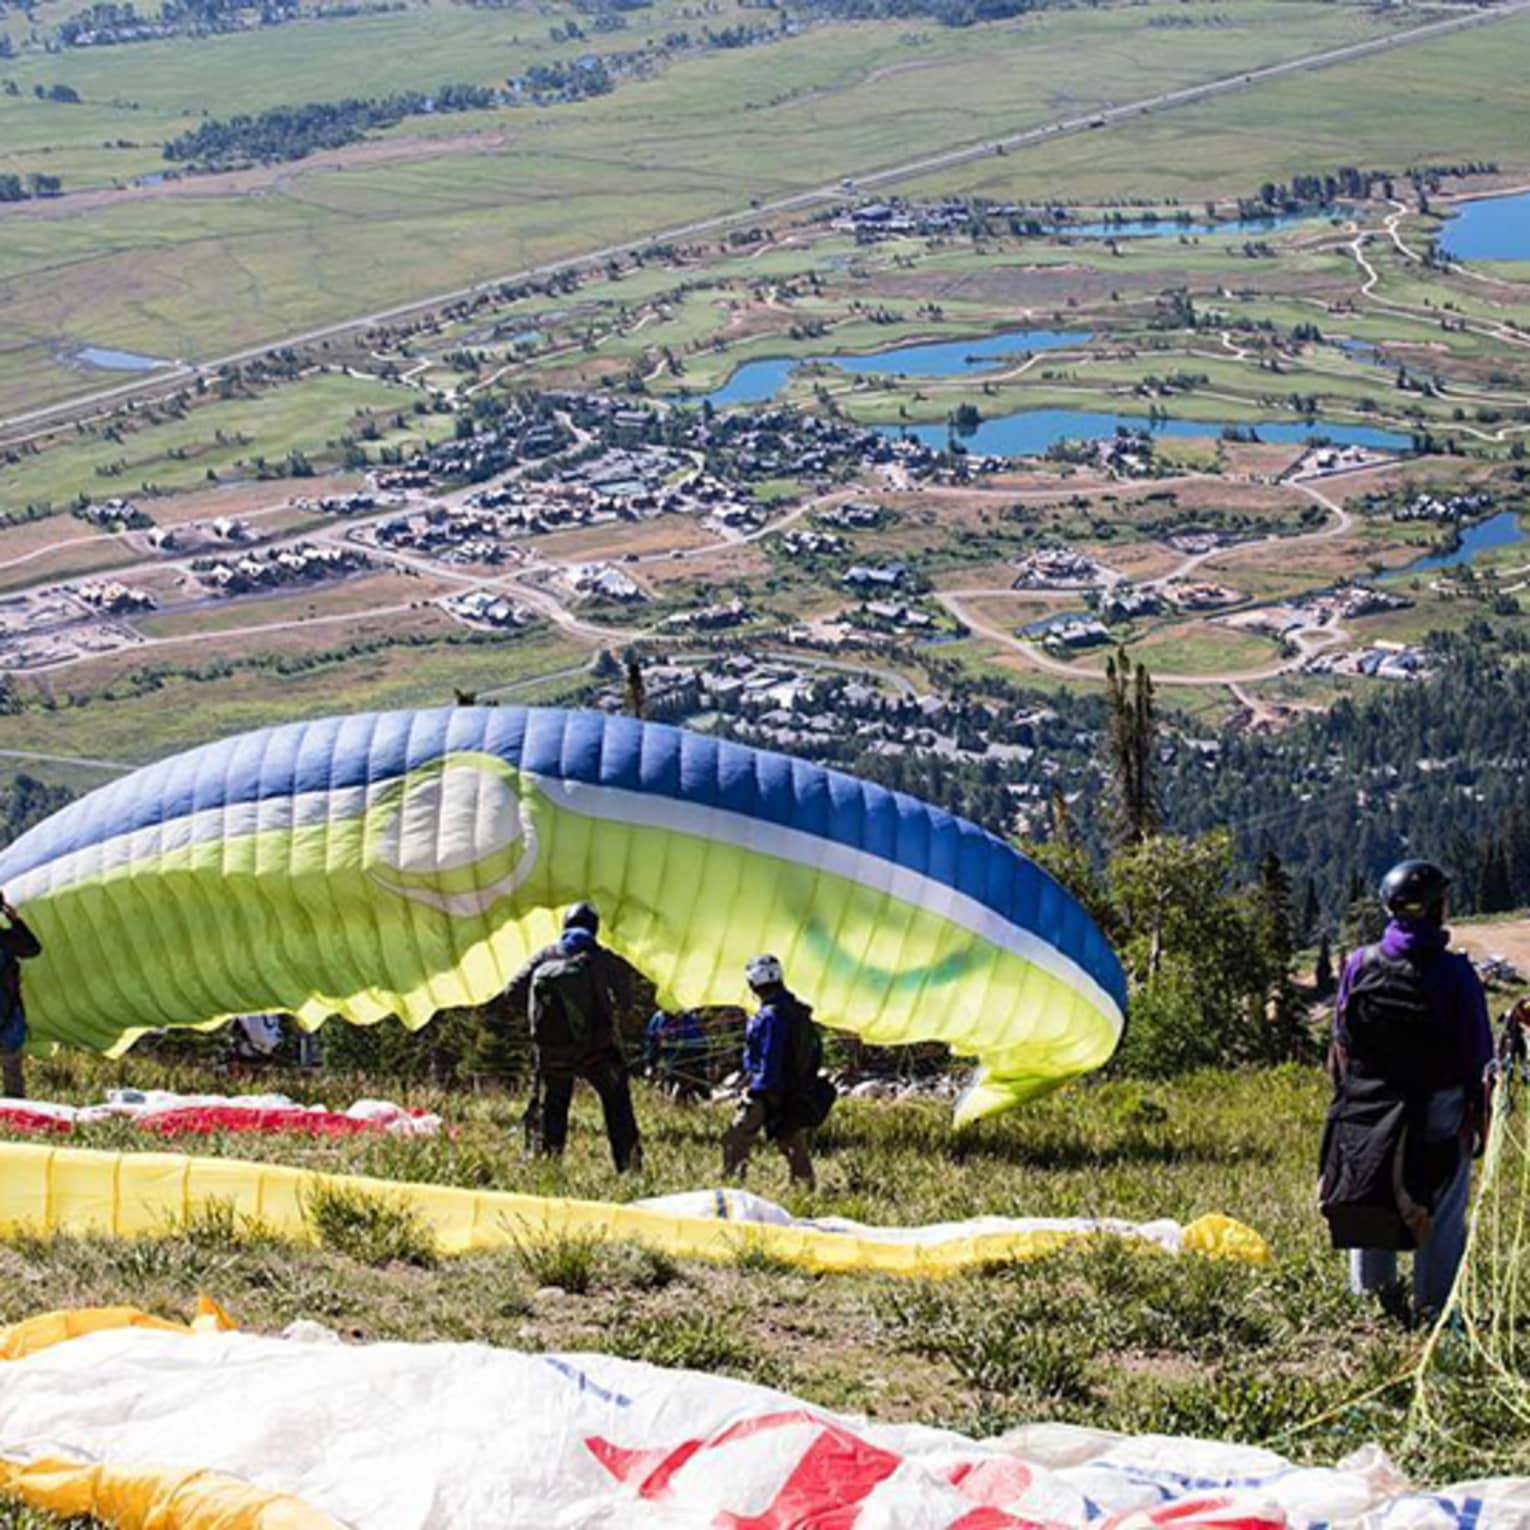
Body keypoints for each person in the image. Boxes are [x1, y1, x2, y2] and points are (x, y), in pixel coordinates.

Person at [1320, 860, 1492, 1318]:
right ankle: (1434, 1307)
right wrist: (1480, 1117)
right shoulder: (1456, 976)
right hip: (1437, 1106)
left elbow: (1341, 1038)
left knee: (1371, 1189)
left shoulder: (1360, 963)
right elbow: (1478, 1057)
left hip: (1368, 1105)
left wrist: (1345, 1100)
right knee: (1443, 1207)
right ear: (1437, 909)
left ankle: (1372, 1303)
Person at [503, 903, 643, 1173]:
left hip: (554, 1051)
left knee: (554, 1106)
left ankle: (548, 1168)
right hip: (598, 1052)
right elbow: (626, 1001)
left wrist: (542, 1015)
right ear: (594, 927)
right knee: (617, 1105)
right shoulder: (603, 958)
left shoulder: (545, 956)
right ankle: (630, 1168)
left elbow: (512, 992)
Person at [722, 955, 835, 1191]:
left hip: (769, 1091)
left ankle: (732, 1189)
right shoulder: (796, 1011)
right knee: (792, 1141)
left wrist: (757, 1091)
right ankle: (804, 1190)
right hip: (795, 1089)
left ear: (753, 983)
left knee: (737, 1136)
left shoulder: (771, 1016)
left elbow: (770, 1057)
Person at [0, 893, 41, 1100]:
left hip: (7, 1013)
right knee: (11, 1067)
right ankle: (15, 1107)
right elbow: (32, 948)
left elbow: (33, 949)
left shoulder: (5, 940)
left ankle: (14, 1106)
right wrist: (15, 920)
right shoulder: (6, 940)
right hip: (8, 1016)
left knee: (11, 1064)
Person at [643, 1008, 709, 1103]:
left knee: (683, 1096)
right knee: (667, 1096)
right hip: (667, 1066)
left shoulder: (689, 1020)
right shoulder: (658, 1018)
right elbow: (651, 1042)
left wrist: (700, 1066)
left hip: (688, 1066)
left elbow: (702, 1046)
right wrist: (649, 1065)